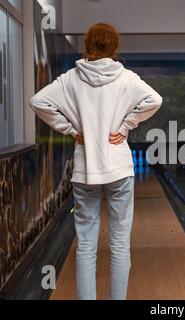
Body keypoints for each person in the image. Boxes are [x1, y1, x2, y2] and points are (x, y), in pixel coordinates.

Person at [30, 23, 163, 300]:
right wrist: (127, 124)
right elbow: (155, 99)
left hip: (85, 171)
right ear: (114, 47)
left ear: (87, 46)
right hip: (119, 169)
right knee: (120, 245)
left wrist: (71, 130)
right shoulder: (126, 77)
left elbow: (38, 101)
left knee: (86, 246)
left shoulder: (70, 79)